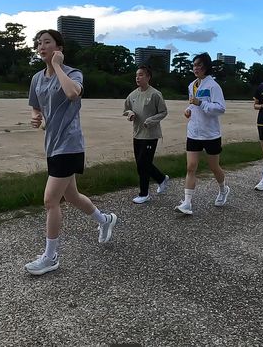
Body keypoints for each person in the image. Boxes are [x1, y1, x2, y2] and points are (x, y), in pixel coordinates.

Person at [25, 29, 118, 276]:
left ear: (59, 48)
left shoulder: (72, 73)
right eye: (39, 43)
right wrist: (36, 118)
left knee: (50, 200)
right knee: (73, 197)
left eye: (47, 42)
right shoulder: (36, 79)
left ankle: (50, 256)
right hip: (52, 144)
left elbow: (72, 93)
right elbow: (36, 108)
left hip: (70, 144)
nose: (41, 46)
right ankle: (105, 219)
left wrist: (58, 67)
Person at [174, 53, 229, 215]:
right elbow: (193, 104)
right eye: (194, 65)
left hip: (210, 134)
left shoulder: (213, 86)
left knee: (214, 166)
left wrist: (201, 103)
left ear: (206, 67)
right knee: (191, 167)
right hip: (193, 133)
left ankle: (223, 189)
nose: (196, 68)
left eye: (199, 65)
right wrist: (188, 110)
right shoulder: (192, 85)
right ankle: (187, 203)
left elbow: (220, 108)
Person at [123, 65, 170, 204]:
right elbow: (126, 109)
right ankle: (161, 179)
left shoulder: (155, 94)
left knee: (143, 164)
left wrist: (151, 120)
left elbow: (163, 112)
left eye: (141, 75)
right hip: (137, 133)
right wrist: (130, 114)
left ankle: (144, 194)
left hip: (150, 134)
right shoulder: (132, 95)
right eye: (137, 75)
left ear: (148, 77)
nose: (138, 77)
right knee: (141, 163)